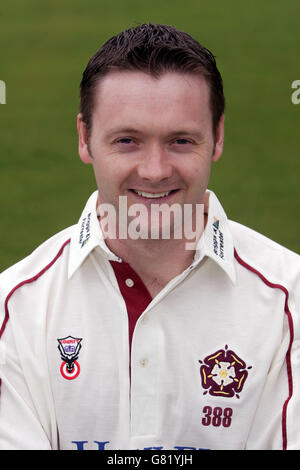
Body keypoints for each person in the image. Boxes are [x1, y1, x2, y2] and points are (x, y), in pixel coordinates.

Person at [0, 23, 299, 451]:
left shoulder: (290, 301)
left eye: (180, 140)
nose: (155, 170)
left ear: (216, 138)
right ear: (85, 139)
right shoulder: (13, 309)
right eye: (127, 141)